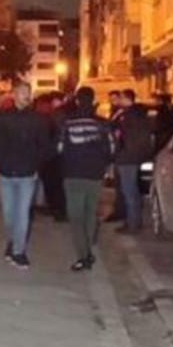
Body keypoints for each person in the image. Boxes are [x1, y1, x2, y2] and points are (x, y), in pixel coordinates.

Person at [0, 83, 51, 269]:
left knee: (22, 213)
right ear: (14, 95)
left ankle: (18, 251)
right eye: (22, 93)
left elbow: (44, 146)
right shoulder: (2, 118)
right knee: (9, 213)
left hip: (27, 174)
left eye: (28, 93)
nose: (26, 96)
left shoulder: (38, 120)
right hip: (6, 174)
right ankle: (13, 241)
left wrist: (35, 165)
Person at [59, 87, 114, 271]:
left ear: (76, 100)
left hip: (73, 174)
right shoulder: (102, 124)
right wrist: (104, 163)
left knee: (75, 216)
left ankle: (83, 256)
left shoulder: (68, 123)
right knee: (90, 213)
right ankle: (88, 249)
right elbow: (112, 148)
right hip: (95, 174)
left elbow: (59, 147)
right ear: (93, 100)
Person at [113, 89, 154, 234]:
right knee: (133, 190)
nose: (118, 100)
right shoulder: (139, 114)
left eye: (121, 98)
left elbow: (124, 136)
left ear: (127, 99)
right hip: (135, 157)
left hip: (127, 157)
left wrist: (121, 147)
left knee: (128, 191)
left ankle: (132, 224)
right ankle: (135, 221)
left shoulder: (129, 116)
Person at [34, 94, 67, 221]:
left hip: (51, 156)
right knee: (53, 184)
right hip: (51, 156)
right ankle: (56, 209)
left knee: (53, 184)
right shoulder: (53, 116)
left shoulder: (52, 117)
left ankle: (58, 209)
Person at [104, 90, 127, 223]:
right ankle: (119, 210)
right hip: (115, 151)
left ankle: (121, 211)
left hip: (121, 151)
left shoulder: (122, 114)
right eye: (111, 99)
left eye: (115, 99)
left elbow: (118, 131)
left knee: (122, 184)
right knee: (118, 184)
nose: (112, 101)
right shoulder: (114, 112)